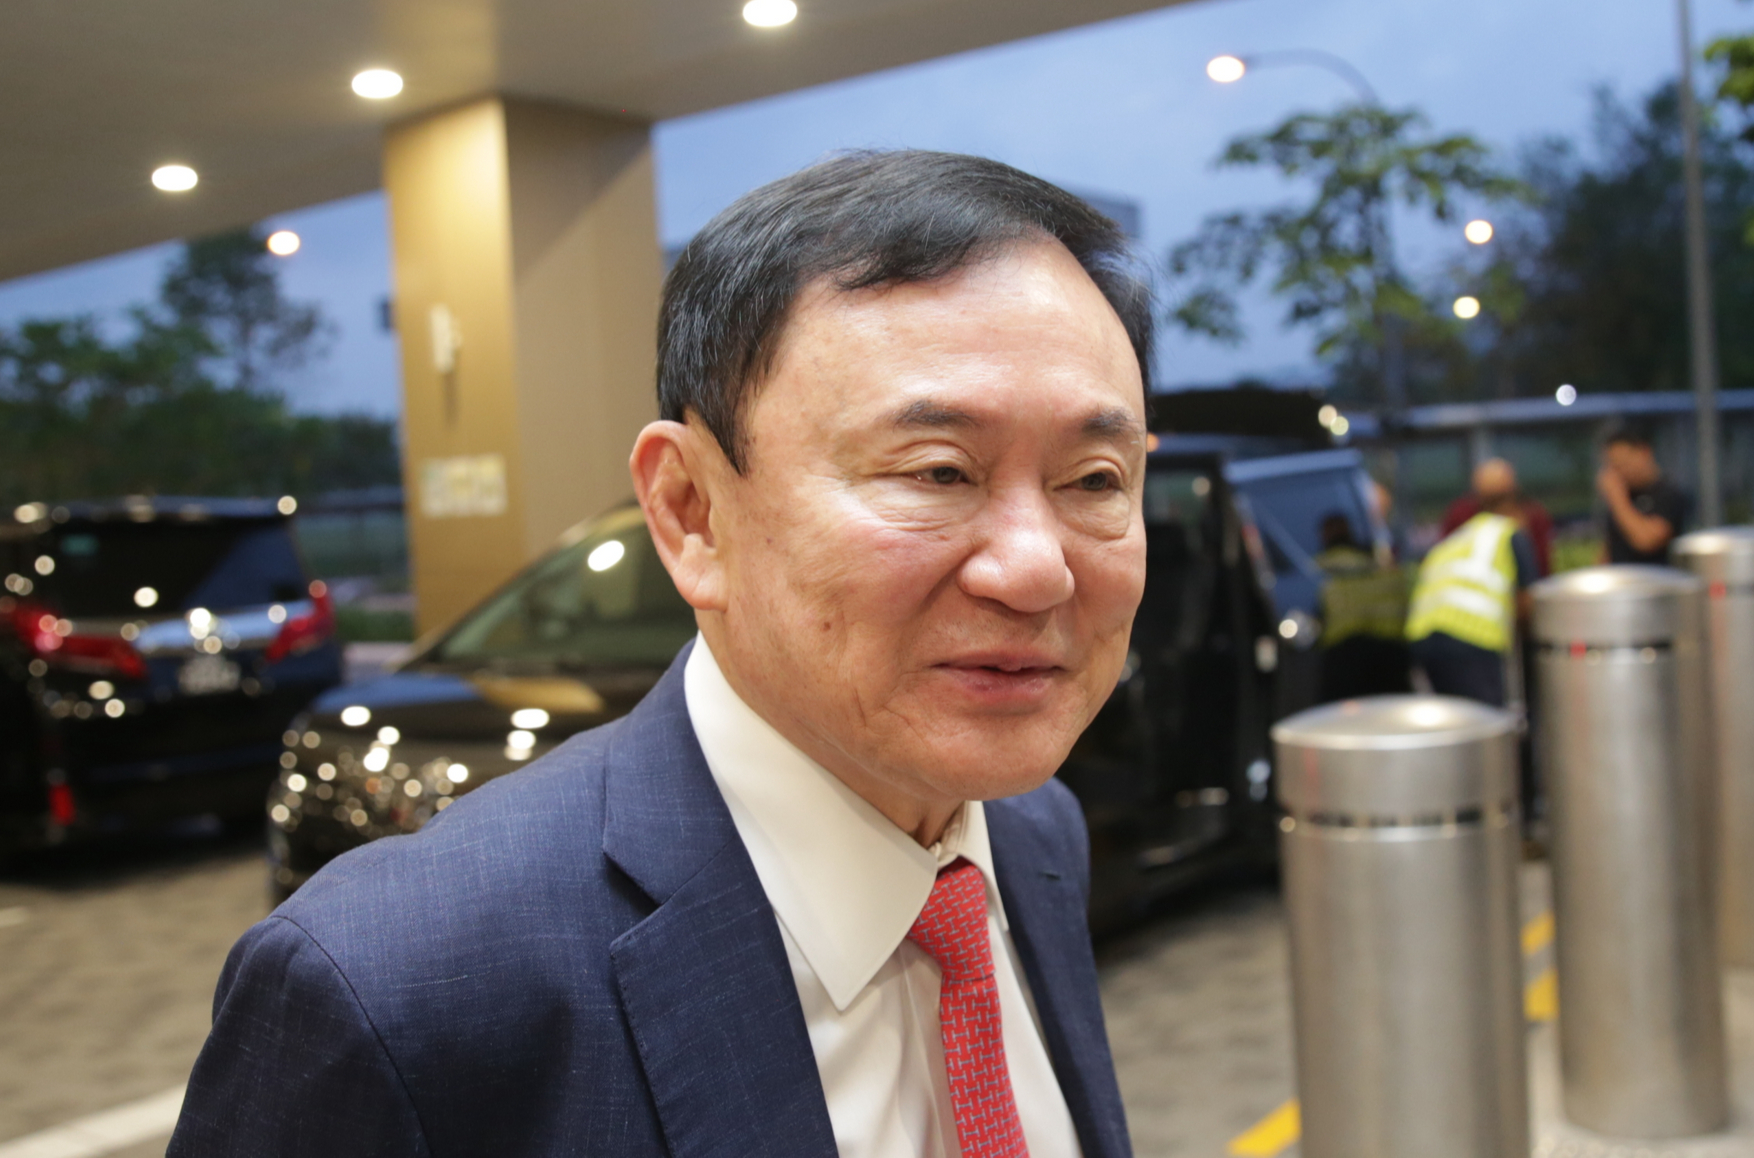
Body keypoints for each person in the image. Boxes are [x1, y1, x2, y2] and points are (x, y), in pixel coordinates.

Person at [168, 151, 1144, 1158]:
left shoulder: (1031, 833)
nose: (1036, 570)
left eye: (1094, 480)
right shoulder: (394, 988)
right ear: (690, 512)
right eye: (938, 471)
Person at [1406, 486, 1538, 708]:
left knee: (1454, 715)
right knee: (1485, 718)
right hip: (1471, 633)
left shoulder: (1458, 537)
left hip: (1421, 635)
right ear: (1514, 510)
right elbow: (1527, 603)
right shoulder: (1509, 531)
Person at [1314, 512, 1410, 701]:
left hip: (1345, 656)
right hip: (1391, 654)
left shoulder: (1317, 569)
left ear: (1324, 536)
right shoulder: (1380, 567)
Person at [1440, 457, 1554, 577]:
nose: (1500, 511)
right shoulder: (1461, 516)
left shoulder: (1533, 516)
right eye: (1492, 502)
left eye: (1502, 499)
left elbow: (1542, 567)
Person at [1598, 424, 1686, 564]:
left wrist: (1617, 498)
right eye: (1614, 467)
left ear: (1644, 452)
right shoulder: (1626, 496)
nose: (1620, 472)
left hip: (1655, 576)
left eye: (1624, 464)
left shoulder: (1669, 494)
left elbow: (1646, 541)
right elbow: (1610, 548)